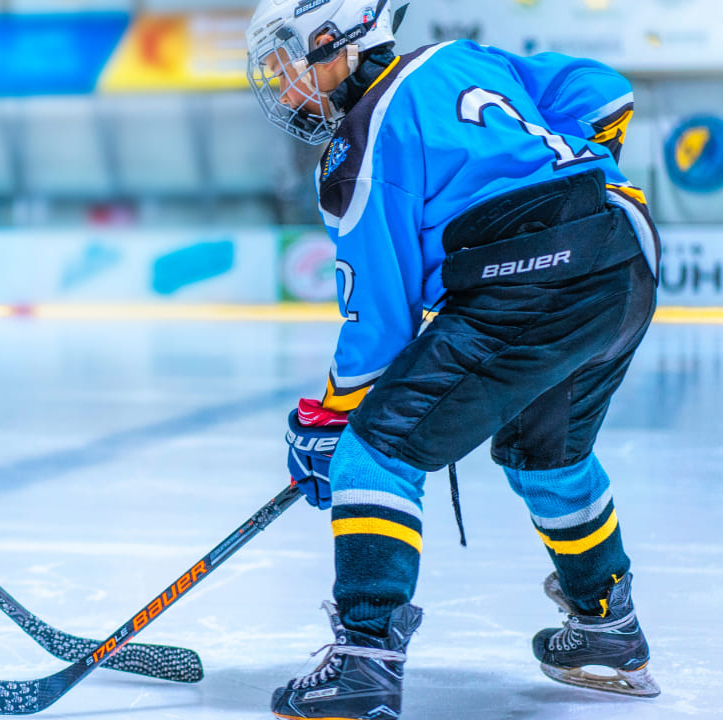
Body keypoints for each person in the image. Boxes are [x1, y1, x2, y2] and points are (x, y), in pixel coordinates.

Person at [245, 1, 661, 718]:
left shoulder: (357, 146)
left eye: (289, 65)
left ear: (337, 39)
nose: (285, 90)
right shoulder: (464, 60)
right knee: (550, 455)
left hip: (529, 277)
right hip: (624, 254)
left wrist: (329, 423)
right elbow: (605, 90)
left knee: (373, 456)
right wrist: (561, 180)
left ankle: (364, 659)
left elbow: (379, 324)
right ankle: (607, 626)